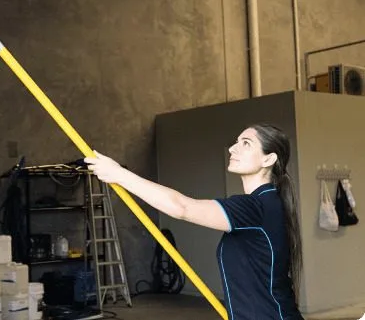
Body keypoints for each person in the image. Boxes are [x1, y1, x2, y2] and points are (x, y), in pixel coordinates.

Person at [85, 123, 303, 320]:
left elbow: (181, 207)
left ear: (269, 159)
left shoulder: (257, 207)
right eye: (235, 142)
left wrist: (118, 174)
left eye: (245, 143)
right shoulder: (267, 203)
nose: (232, 148)